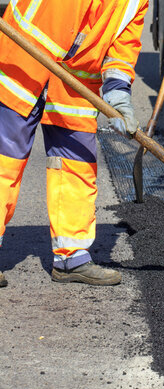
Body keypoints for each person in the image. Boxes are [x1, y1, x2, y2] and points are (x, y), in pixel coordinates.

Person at [0, 0, 146, 288]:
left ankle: (72, 259)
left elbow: (122, 50)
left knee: (77, 167)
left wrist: (118, 95)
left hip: (74, 87)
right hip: (23, 64)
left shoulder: (137, 3)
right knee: (4, 163)